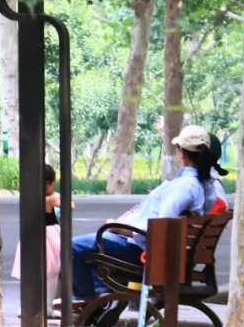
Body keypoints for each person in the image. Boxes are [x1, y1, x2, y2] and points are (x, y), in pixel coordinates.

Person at [71, 125, 225, 305]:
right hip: (152, 246)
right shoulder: (205, 185)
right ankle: (98, 296)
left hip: (140, 248)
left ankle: (89, 301)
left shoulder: (185, 186)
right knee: (89, 246)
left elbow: (160, 227)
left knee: (73, 247)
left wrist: (118, 229)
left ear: (181, 152)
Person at [10, 164, 76, 315]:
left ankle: (26, 305)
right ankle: (47, 307)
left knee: (31, 274)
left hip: (29, 235)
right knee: (51, 273)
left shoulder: (28, 198)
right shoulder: (50, 199)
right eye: (53, 184)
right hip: (48, 237)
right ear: (47, 183)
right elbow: (71, 205)